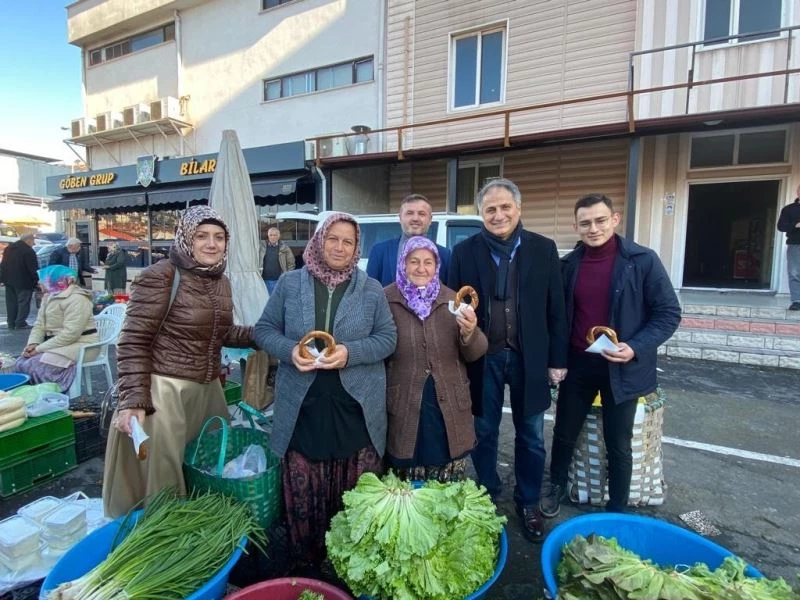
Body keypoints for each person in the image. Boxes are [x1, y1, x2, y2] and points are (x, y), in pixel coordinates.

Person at [254, 211, 396, 566]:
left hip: (354, 406)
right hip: (304, 404)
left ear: (356, 248)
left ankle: (349, 559)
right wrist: (290, 351)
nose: (340, 247)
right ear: (319, 240)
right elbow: (264, 330)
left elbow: (388, 338)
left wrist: (351, 353)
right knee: (307, 486)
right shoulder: (290, 283)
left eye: (348, 241)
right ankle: (309, 559)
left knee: (352, 488)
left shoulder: (371, 288)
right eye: (333, 238)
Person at [102, 206, 254, 518]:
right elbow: (133, 340)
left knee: (206, 461)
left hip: (206, 388)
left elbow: (222, 333)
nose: (211, 244)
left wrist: (265, 335)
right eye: (202, 236)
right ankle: (162, 534)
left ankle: (196, 526)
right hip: (164, 391)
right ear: (185, 238)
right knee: (165, 475)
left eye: (219, 237)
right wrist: (134, 400)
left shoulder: (220, 282)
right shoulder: (161, 276)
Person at [540, 193, 681, 517]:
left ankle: (617, 507)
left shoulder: (642, 261)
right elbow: (559, 318)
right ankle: (556, 485)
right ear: (576, 226)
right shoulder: (568, 265)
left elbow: (668, 313)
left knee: (618, 442)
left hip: (623, 366)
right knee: (564, 432)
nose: (593, 228)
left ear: (615, 220)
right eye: (585, 223)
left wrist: (635, 347)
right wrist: (556, 360)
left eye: (600, 220)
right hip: (579, 364)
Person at [447, 178, 568, 542]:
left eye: (505, 208)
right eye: (490, 209)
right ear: (481, 214)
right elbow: (454, 308)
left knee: (531, 434)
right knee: (483, 431)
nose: (498, 215)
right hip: (484, 355)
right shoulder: (466, 251)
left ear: (518, 209)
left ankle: (528, 501)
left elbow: (556, 309)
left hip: (530, 355)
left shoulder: (543, 249)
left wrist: (557, 359)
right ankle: (487, 491)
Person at [384, 236, 487, 482]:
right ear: (403, 264)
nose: (421, 268)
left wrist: (470, 332)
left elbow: (477, 352)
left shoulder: (453, 300)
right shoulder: (385, 299)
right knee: (407, 483)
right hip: (405, 402)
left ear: (437, 265)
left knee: (446, 481)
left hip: (447, 402)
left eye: (428, 262)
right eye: (414, 261)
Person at [14, 265, 100, 392]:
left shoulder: (77, 299)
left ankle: (53, 396)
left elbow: (71, 334)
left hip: (81, 345)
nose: (39, 283)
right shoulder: (48, 297)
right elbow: (39, 325)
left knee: (36, 365)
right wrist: (33, 344)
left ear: (58, 281)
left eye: (43, 279)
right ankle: (32, 398)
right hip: (57, 345)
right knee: (20, 363)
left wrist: (39, 349)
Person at [367, 194, 451, 286]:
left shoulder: (445, 255)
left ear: (430, 220)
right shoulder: (379, 251)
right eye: (409, 213)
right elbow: (370, 293)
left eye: (421, 214)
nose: (415, 218)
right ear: (400, 218)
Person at [0, 233, 38, 329]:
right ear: (28, 240)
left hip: (9, 281)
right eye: (33, 241)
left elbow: (3, 264)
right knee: (23, 303)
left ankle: (11, 322)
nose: (34, 244)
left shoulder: (8, 249)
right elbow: (32, 269)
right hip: (24, 282)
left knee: (11, 303)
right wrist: (36, 281)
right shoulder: (28, 251)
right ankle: (20, 323)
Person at [777, 184, 800, 311]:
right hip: (795, 244)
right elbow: (781, 227)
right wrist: (795, 225)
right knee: (795, 273)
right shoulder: (789, 209)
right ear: (798, 192)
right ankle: (797, 301)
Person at [260, 226, 295, 294]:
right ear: (268, 236)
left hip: (279, 280)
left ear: (278, 236)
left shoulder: (284, 248)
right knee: (265, 300)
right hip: (264, 280)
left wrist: (286, 276)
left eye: (275, 235)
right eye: (271, 235)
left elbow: (291, 263)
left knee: (277, 301)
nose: (272, 237)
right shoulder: (262, 247)